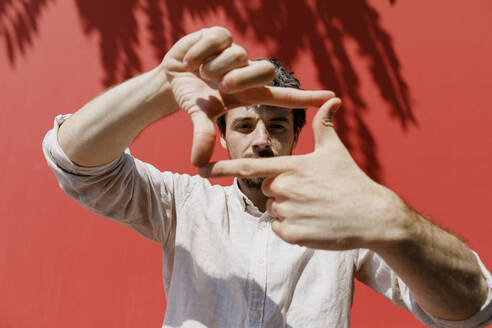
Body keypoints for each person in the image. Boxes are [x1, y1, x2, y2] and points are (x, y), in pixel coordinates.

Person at [43, 26, 492, 327]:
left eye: (277, 126)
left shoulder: (348, 222)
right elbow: (76, 163)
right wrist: (162, 85)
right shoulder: (185, 203)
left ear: (297, 136)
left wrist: (395, 222)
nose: (261, 139)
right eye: (243, 125)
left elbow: (474, 309)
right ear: (223, 139)